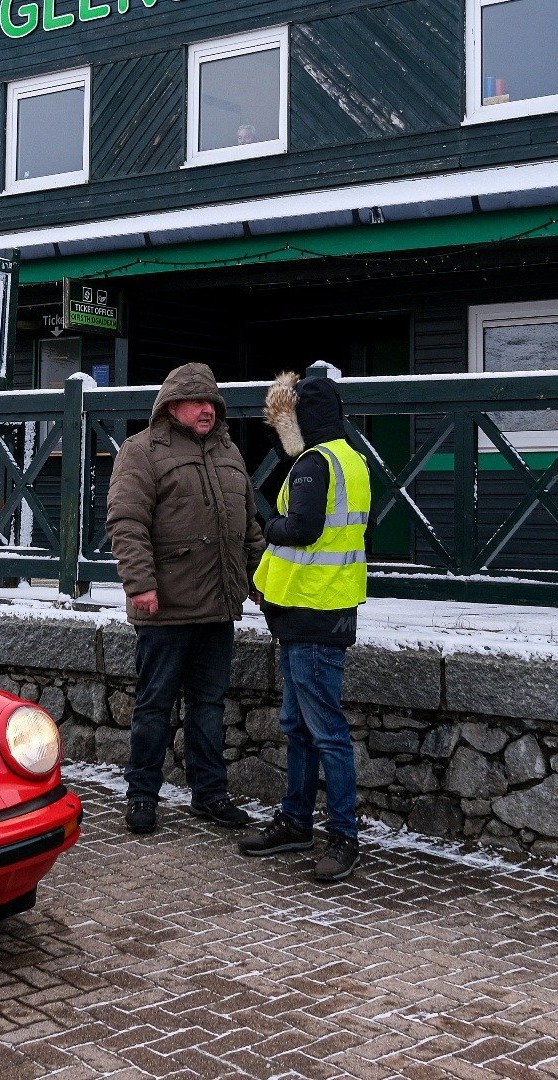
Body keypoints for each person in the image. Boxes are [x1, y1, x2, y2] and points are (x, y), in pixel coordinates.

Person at [106, 362, 265, 836]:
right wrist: (141, 585)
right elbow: (126, 523)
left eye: (211, 403)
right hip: (165, 607)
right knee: (154, 705)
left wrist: (261, 581)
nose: (206, 411)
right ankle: (141, 795)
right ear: (172, 405)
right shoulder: (141, 452)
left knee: (209, 705)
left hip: (218, 605)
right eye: (196, 402)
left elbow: (249, 528)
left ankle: (210, 795)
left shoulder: (230, 454)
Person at [239, 372, 370, 883]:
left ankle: (342, 835)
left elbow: (303, 528)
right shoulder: (351, 458)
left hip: (312, 613)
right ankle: (296, 821)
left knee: (324, 732)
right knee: (301, 727)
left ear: (302, 415)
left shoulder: (316, 463)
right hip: (321, 609)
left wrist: (267, 525)